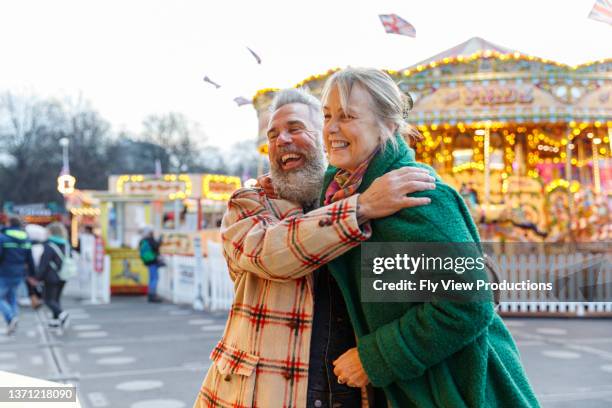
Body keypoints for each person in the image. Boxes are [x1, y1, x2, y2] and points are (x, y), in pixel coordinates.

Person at [194, 88, 435, 408]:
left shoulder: (367, 198)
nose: (281, 140)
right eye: (273, 134)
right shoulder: (249, 204)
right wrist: (359, 208)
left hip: (349, 393)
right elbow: (270, 254)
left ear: (328, 138)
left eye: (295, 129)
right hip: (261, 395)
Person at [316, 67, 538, 407]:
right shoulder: (341, 194)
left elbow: (470, 301)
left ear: (387, 125)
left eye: (347, 116)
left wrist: (374, 358)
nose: (331, 128)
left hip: (455, 389)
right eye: (327, 115)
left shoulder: (418, 198)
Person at [0, 216, 36, 334]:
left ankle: (10, 317)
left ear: (9, 224)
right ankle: (13, 321)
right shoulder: (26, 239)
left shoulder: (3, 238)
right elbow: (30, 259)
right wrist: (32, 275)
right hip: (19, 273)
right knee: (12, 297)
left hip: (4, 272)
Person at [37, 222, 71, 329]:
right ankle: (56, 320)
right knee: (56, 299)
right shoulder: (66, 244)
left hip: (51, 276)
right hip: (64, 275)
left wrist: (38, 277)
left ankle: (62, 314)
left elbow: (44, 263)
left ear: (51, 232)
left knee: (48, 300)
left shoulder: (49, 245)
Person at [25, 224, 48, 309]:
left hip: (34, 270)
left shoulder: (31, 246)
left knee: (31, 284)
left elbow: (31, 261)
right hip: (39, 270)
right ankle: (37, 299)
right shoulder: (42, 246)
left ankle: (35, 299)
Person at [138, 226, 163, 303]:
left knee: (152, 278)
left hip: (148, 261)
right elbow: (156, 246)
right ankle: (152, 294)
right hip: (152, 261)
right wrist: (160, 240)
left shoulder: (142, 241)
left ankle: (150, 294)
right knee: (155, 278)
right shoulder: (150, 240)